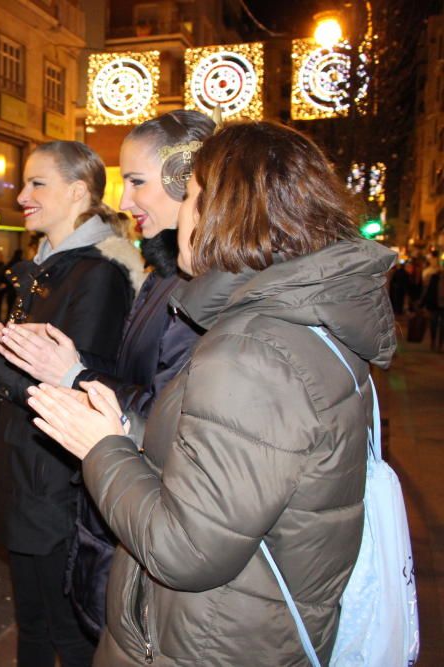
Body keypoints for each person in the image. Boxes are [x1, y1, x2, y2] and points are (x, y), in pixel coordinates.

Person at [27, 121, 396, 665]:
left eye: (194, 196)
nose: (183, 213)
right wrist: (124, 426)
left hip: (205, 642)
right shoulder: (293, 326)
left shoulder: (255, 352)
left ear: (225, 212)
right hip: (241, 629)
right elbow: (230, 467)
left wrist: (101, 448)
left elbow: (187, 549)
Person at [0, 140, 145, 667]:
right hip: (29, 475)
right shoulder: (49, 269)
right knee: (36, 627)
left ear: (78, 192)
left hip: (56, 488)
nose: (22, 195)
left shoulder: (97, 276)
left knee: (65, 633)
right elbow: (24, 373)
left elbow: (73, 392)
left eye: (37, 183)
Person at [0, 110, 213, 636]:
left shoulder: (192, 285)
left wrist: (68, 373)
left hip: (146, 515)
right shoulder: (168, 274)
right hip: (123, 507)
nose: (123, 200)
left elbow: (171, 421)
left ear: (191, 181)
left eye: (137, 181)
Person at [421, 253, 443, 351]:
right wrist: (422, 303)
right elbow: (429, 290)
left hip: (442, 306)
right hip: (434, 305)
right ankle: (434, 341)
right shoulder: (434, 277)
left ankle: (440, 344)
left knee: (443, 326)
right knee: (433, 324)